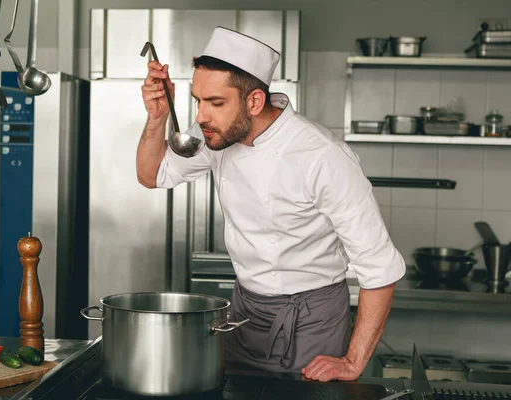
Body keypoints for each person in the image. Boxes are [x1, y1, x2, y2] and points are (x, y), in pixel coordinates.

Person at [136, 26, 406, 382]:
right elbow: (152, 175)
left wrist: (354, 361)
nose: (201, 116)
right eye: (198, 100)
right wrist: (157, 118)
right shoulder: (216, 134)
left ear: (254, 102)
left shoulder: (323, 156)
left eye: (215, 103)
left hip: (312, 320)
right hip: (244, 311)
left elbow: (380, 267)